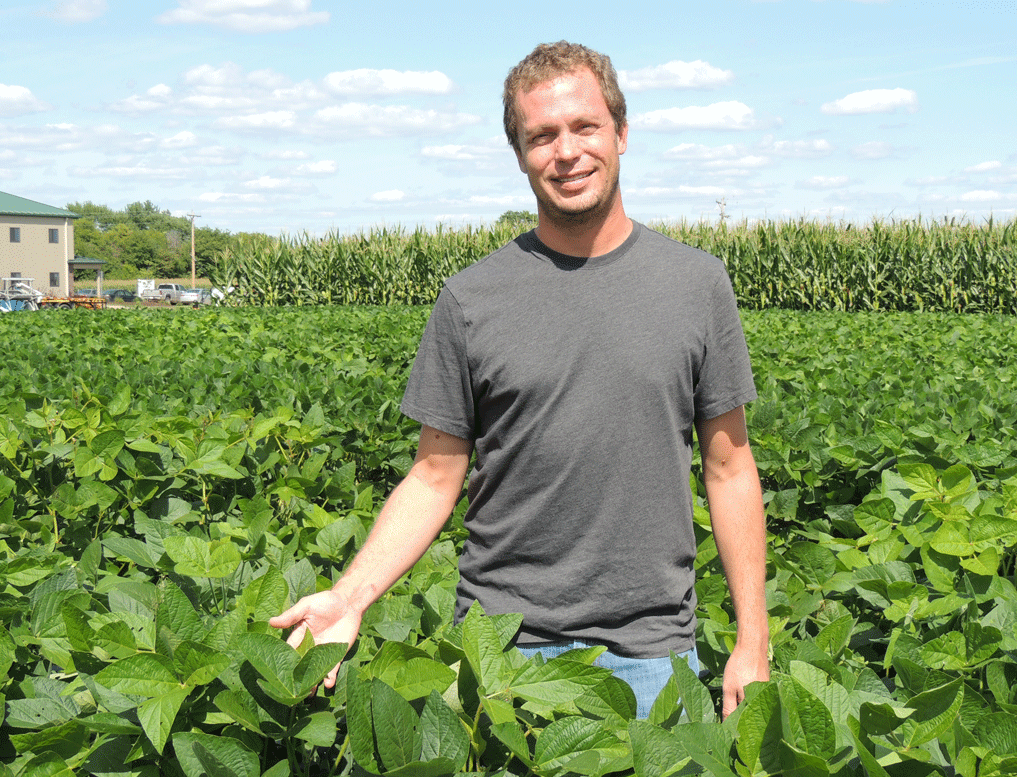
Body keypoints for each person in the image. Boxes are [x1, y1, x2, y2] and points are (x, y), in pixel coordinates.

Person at [271, 41, 770, 718]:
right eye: (542, 136)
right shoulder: (472, 299)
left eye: (584, 127)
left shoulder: (696, 284)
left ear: (621, 133)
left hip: (654, 653)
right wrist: (349, 596)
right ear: (520, 156)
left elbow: (730, 468)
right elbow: (433, 476)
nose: (566, 152)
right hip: (499, 652)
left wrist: (753, 641)